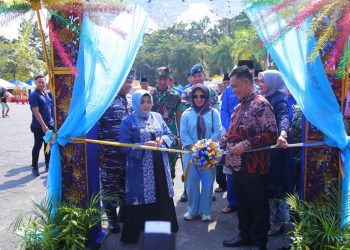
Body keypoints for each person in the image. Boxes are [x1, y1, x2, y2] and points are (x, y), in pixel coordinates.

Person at [220, 66, 278, 250]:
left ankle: (259, 242)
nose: (232, 90)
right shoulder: (239, 105)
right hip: (236, 165)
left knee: (257, 204)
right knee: (243, 203)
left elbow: (271, 133)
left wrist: (246, 144)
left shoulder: (261, 104)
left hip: (254, 166)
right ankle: (244, 235)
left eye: (235, 86)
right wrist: (215, 144)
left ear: (247, 82)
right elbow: (231, 133)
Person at [120, 89, 179, 243]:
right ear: (135, 103)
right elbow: (124, 146)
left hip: (160, 165)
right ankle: (138, 234)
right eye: (142, 101)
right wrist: (143, 145)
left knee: (161, 193)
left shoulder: (157, 117)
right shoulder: (128, 121)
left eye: (148, 101)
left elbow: (170, 134)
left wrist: (162, 141)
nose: (146, 105)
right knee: (142, 196)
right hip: (140, 169)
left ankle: (162, 231)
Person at [98, 69, 134, 234]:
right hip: (110, 153)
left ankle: (123, 214)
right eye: (126, 81)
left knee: (125, 186)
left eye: (130, 82)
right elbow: (96, 127)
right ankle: (112, 220)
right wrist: (100, 151)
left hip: (126, 154)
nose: (129, 85)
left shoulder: (129, 99)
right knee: (108, 187)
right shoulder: (105, 99)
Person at [258, 70, 292, 236]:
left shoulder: (279, 99)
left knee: (277, 184)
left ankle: (278, 223)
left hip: (279, 148)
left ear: (272, 82)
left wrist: (283, 134)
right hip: (267, 149)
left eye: (263, 81)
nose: (260, 84)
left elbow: (284, 117)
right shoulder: (264, 97)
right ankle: (270, 219)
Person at [180, 84, 222, 221]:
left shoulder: (213, 113)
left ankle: (205, 211)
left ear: (207, 96)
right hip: (191, 154)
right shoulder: (186, 114)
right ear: (191, 97)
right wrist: (196, 148)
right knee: (191, 184)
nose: (199, 99)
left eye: (202, 96)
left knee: (208, 182)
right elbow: (184, 134)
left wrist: (206, 147)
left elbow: (217, 131)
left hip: (209, 154)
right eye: (195, 96)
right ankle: (192, 210)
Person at [151, 67, 182, 180]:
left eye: (165, 78)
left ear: (169, 78)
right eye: (160, 78)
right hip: (154, 133)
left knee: (171, 165)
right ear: (156, 79)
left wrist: (179, 137)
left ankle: (170, 189)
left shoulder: (175, 95)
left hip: (171, 134)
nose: (163, 81)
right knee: (156, 164)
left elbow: (179, 117)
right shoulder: (150, 94)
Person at [29, 75, 55, 176]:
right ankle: (34, 167)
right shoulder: (34, 95)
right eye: (39, 82)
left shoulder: (46, 93)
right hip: (39, 126)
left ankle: (48, 164)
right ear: (35, 83)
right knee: (38, 146)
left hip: (50, 125)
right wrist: (44, 126)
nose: (41, 84)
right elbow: (36, 112)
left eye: (43, 82)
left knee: (48, 145)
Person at [215, 73, 231, 194]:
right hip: (223, 131)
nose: (226, 85)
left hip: (232, 131)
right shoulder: (220, 97)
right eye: (224, 83)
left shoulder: (234, 94)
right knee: (220, 160)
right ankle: (221, 183)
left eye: (228, 82)